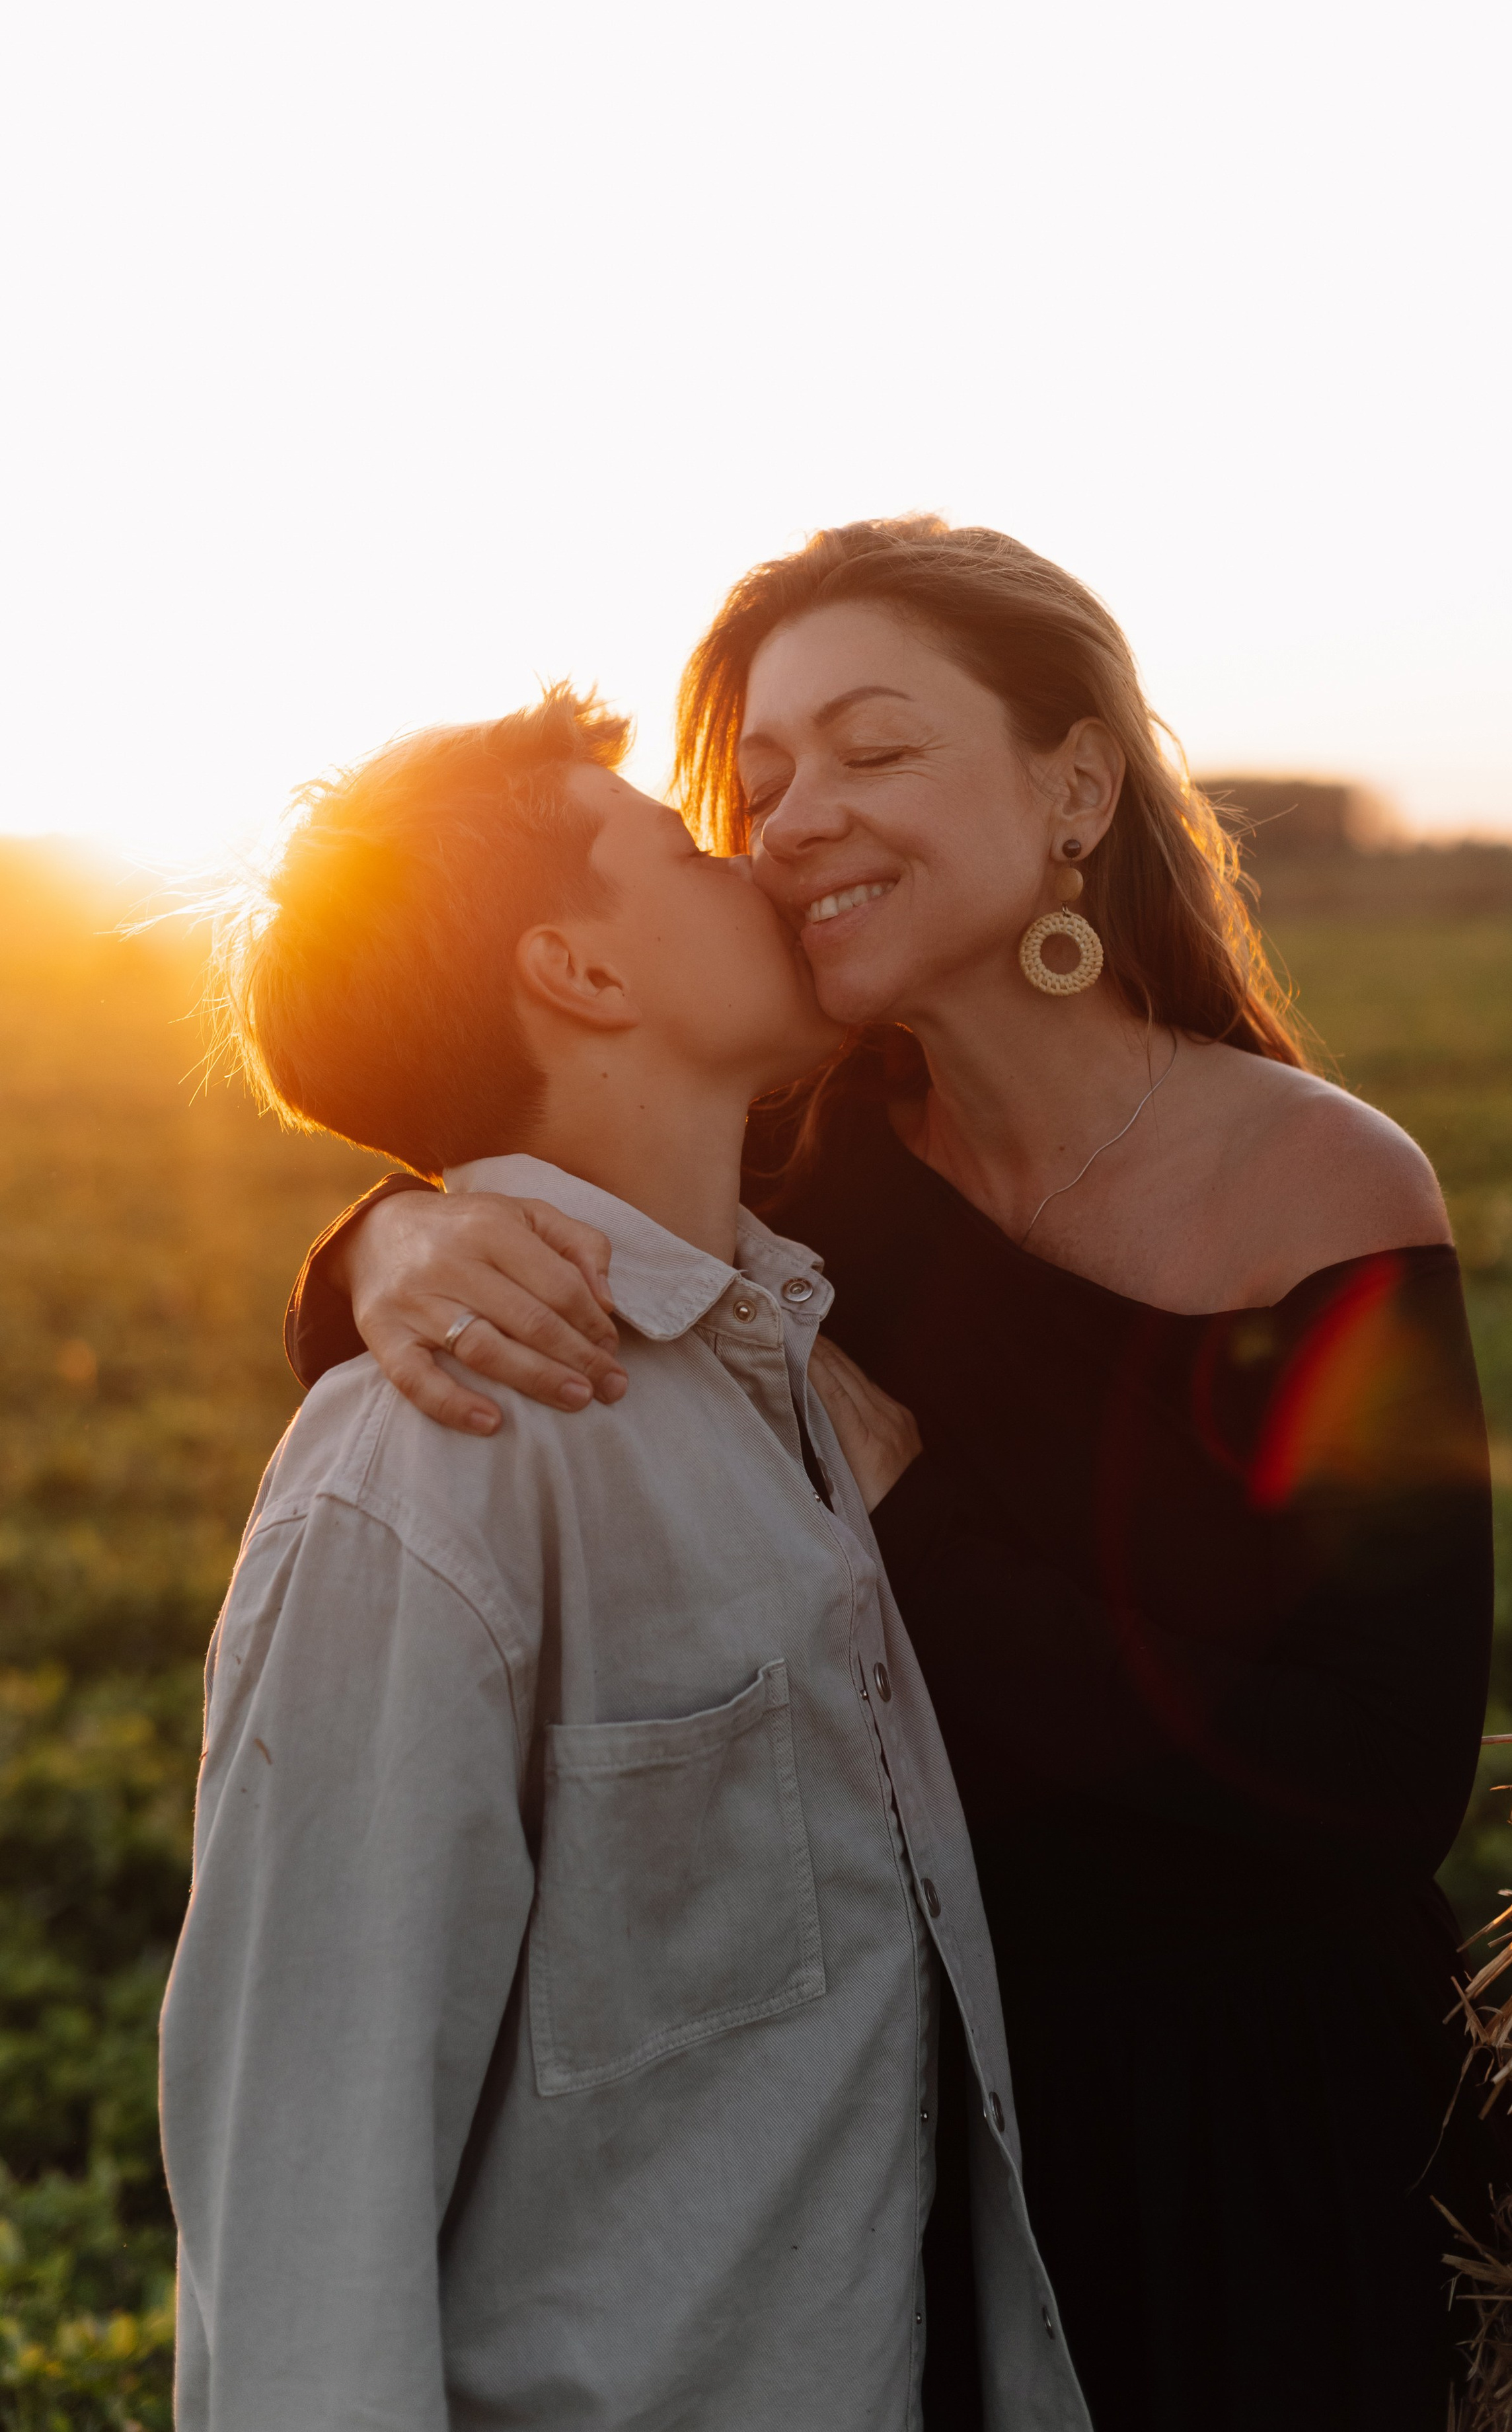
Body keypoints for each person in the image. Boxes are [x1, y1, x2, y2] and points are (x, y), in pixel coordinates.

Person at [284, 522, 1512, 2432]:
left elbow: (1378, 1780)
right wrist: (384, 1242)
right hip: (913, 2133)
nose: (794, 823)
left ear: (1075, 791)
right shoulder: (792, 1170)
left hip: (1267, 2151)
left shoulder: (1331, 1193)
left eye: (873, 751)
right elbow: (519, 1167)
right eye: (763, 778)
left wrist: (911, 1520)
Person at [159, 684, 1091, 2431]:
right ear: (580, 972)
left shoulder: (788, 1351)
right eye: (681, 848)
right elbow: (307, 2204)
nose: (757, 855)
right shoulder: (430, 1464)